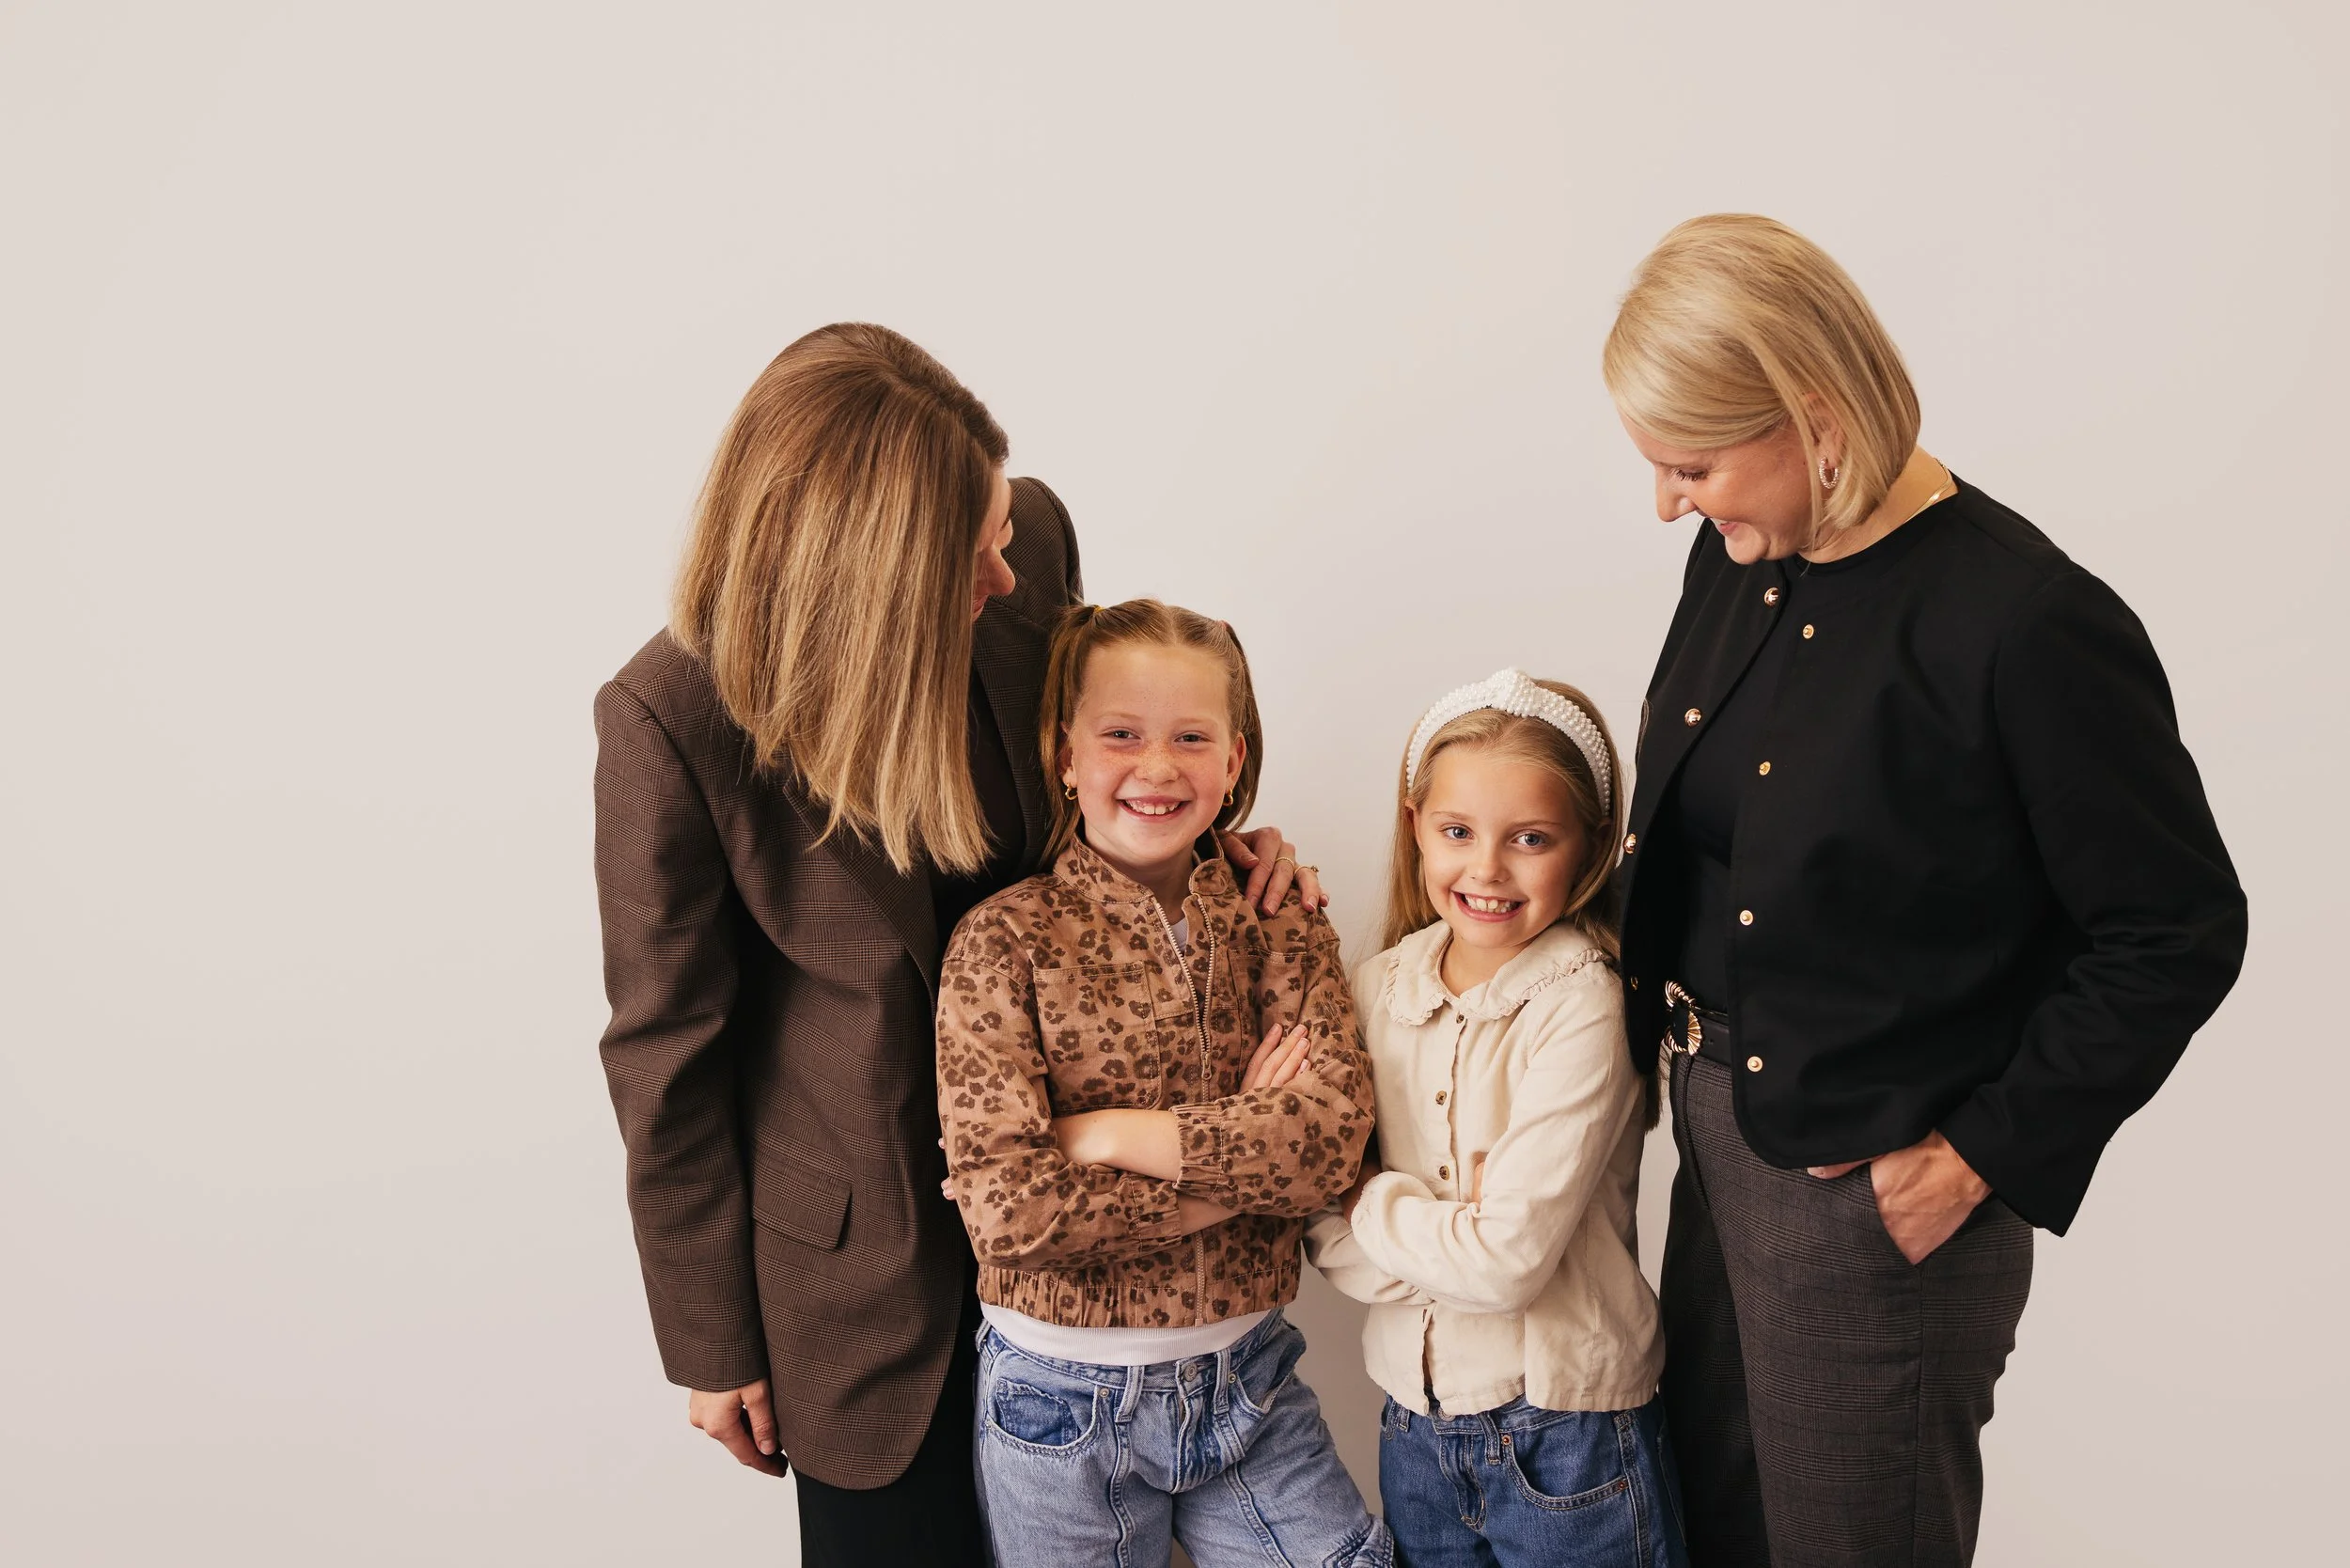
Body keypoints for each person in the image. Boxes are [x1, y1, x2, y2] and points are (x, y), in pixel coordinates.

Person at [590, 326, 1323, 1568]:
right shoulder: (672, 718)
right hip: (872, 1296)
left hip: (1098, 1267)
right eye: (971, 553)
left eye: (998, 527)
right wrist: (712, 1343)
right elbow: (667, 1054)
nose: (1006, 572)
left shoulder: (1026, 543)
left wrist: (1228, 853)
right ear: (865, 577)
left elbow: (1119, 756)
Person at [1604, 215, 2248, 1566]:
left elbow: (2175, 929)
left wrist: (1979, 1159)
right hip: (1712, 1139)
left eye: (1693, 465)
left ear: (1814, 419)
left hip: (1869, 1203)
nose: (1669, 503)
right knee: (1715, 1529)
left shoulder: (2026, 620)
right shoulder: (1738, 562)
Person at [935, 598, 1391, 1568]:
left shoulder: (1282, 922)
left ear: (1232, 764)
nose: (1156, 767)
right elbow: (1010, 1214)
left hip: (1252, 1378)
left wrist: (1104, 1133)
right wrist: (1235, 1170)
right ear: (1065, 754)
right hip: (1058, 1403)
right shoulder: (1001, 941)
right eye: (1121, 736)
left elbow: (1328, 1144)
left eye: (1191, 737)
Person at [1308, 668, 1688, 1567]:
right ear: (1415, 828)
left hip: (1569, 1432)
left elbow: (1508, 1263)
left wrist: (1373, 1199)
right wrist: (1446, 1237)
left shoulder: (1584, 1002)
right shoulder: (1378, 987)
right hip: (1415, 1425)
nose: (1485, 869)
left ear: (1591, 845)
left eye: (1529, 838)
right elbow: (1316, 1227)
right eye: (1456, 832)